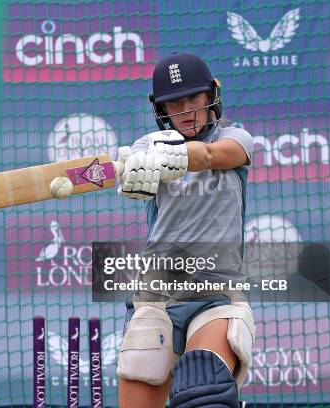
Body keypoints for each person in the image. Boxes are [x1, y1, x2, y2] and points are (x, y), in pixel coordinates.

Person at [115, 52, 255, 408]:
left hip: (216, 290)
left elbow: (214, 156)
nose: (186, 110)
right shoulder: (146, 147)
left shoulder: (237, 138)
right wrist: (135, 170)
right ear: (161, 109)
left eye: (194, 98)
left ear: (212, 96)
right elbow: (138, 181)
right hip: (158, 292)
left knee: (205, 393)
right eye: (175, 103)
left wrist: (174, 155)